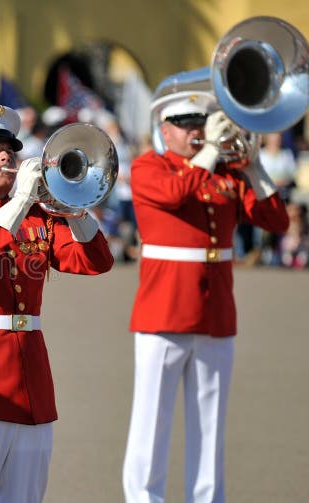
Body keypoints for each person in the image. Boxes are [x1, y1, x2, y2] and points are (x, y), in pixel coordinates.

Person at [0, 105, 114, 502]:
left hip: (32, 381)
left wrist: (72, 207)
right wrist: (22, 200)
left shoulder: (36, 216)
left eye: (8, 149)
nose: (5, 156)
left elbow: (95, 261)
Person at [123, 91, 289, 502]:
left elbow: (276, 220)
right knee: (151, 424)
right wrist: (212, 150)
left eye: (202, 123)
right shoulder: (150, 166)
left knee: (211, 425)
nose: (197, 131)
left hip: (216, 312)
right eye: (186, 125)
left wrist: (254, 169)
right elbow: (174, 194)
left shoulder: (224, 173)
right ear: (165, 131)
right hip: (164, 311)